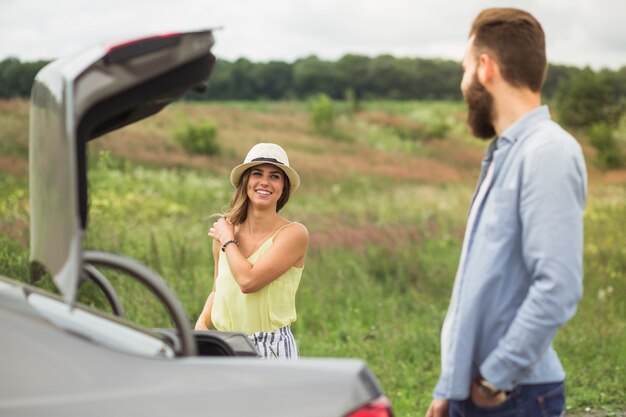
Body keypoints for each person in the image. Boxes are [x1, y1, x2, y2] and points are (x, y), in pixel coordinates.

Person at [426, 8, 587, 417]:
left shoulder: (547, 151)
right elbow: (485, 284)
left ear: (485, 67)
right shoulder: (506, 153)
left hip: (512, 396)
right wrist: (454, 385)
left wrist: (495, 377)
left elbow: (558, 285)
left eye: (464, 70)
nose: (462, 84)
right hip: (480, 391)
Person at [195, 143, 309, 359]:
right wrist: (201, 325)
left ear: (283, 188)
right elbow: (218, 289)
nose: (265, 182)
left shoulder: (293, 234)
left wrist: (228, 240)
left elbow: (248, 282)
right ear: (246, 181)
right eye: (257, 174)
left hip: (271, 349)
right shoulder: (226, 233)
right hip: (225, 346)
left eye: (275, 176)